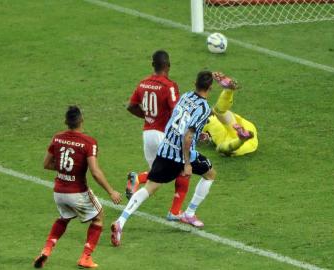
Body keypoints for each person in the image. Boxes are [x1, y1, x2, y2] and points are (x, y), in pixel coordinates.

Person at [111, 71, 216, 247]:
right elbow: (188, 135)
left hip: (165, 147)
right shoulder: (204, 108)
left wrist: (199, 135)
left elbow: (179, 122)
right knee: (210, 174)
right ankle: (189, 213)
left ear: (194, 82)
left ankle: (121, 221)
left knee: (150, 187)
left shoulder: (185, 96)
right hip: (181, 154)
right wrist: (187, 163)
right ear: (210, 87)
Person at [33, 106, 122, 269]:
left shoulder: (57, 138)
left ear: (66, 122)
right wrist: (111, 191)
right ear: (81, 120)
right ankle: (85, 257)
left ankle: (46, 249)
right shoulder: (89, 142)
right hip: (77, 192)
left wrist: (64, 169)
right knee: (99, 216)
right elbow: (95, 172)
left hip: (59, 192)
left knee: (64, 218)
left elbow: (46, 164)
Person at [125, 49, 190, 221]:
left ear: (153, 65)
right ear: (168, 65)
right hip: (163, 136)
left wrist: (147, 117)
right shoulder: (169, 86)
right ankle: (175, 212)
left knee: (157, 177)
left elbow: (131, 106)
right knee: (184, 169)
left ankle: (137, 178)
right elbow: (177, 111)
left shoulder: (143, 83)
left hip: (148, 135)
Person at [201, 72, 258, 156]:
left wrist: (205, 138)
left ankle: (241, 139)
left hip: (237, 139)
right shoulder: (206, 118)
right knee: (219, 111)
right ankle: (228, 90)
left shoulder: (196, 125)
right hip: (245, 131)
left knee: (221, 149)